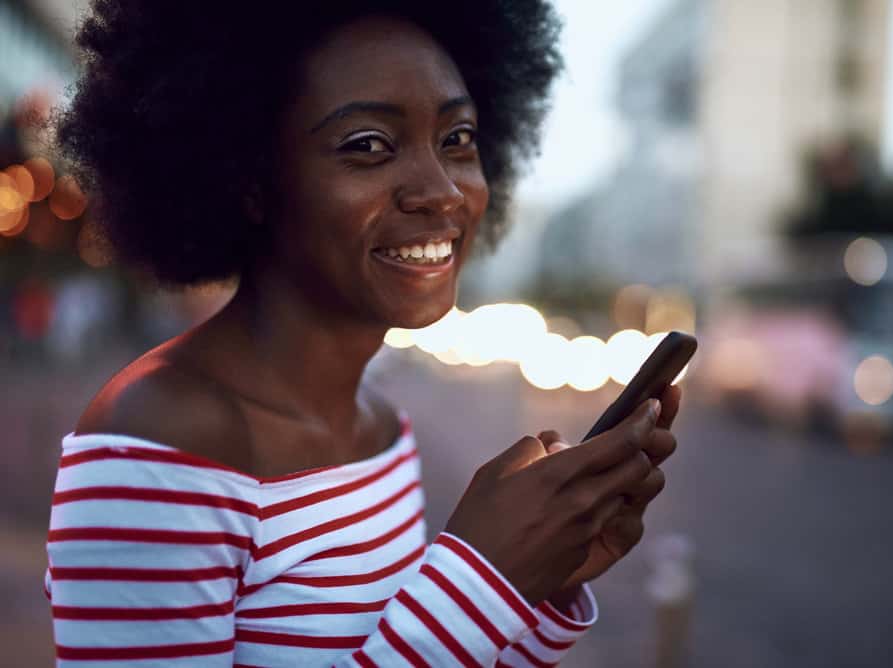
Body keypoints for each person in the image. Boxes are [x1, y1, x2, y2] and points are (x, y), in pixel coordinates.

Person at [45, 1, 683, 665]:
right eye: (368, 146)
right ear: (247, 180)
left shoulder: (381, 427)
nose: (442, 191)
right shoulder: (154, 446)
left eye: (457, 139)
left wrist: (540, 585)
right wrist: (482, 583)